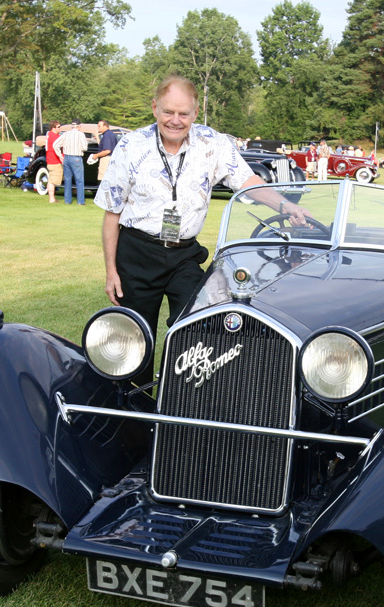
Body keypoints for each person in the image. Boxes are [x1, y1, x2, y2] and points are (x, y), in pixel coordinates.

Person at [94, 75, 311, 385]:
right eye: (168, 112)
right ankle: (135, 412)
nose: (175, 120)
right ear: (155, 108)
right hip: (137, 254)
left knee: (199, 328)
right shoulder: (131, 146)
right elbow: (112, 213)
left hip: (184, 256)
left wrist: (285, 206)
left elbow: (248, 183)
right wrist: (111, 271)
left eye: (184, 113)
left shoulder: (214, 144)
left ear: (196, 113)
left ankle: (184, 403)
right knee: (136, 339)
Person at [53, 118, 88, 205]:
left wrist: (60, 156)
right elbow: (85, 147)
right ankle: (80, 201)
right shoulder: (81, 135)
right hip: (76, 157)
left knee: (68, 180)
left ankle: (67, 200)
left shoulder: (66, 134)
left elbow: (55, 145)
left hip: (67, 157)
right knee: (79, 180)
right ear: (79, 126)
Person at [44, 121, 63, 203]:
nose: (60, 128)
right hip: (54, 161)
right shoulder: (53, 136)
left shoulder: (50, 135)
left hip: (51, 160)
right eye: (58, 127)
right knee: (52, 180)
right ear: (53, 128)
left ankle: (52, 198)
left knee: (53, 179)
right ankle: (51, 199)